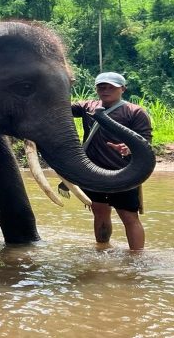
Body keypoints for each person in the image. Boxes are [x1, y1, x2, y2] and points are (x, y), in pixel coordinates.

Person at [71, 72, 152, 251]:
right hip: (94, 172)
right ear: (96, 89)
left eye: (111, 87)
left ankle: (137, 257)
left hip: (123, 173)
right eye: (102, 87)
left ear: (122, 89)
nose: (106, 90)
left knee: (129, 217)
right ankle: (102, 248)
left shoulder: (134, 112)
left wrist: (129, 148)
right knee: (99, 212)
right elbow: (60, 108)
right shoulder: (87, 107)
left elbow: (145, 141)